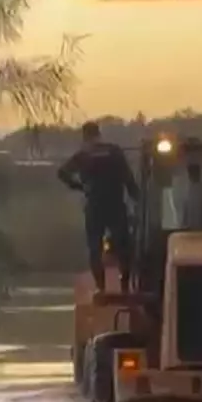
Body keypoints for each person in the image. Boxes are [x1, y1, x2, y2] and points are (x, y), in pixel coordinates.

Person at [57, 121, 140, 293]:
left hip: (94, 205)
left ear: (85, 136)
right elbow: (128, 177)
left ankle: (101, 287)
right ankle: (124, 284)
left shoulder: (83, 155)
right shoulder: (114, 151)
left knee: (94, 247)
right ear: (99, 134)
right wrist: (137, 197)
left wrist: (79, 186)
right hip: (116, 204)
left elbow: (62, 173)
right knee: (123, 245)